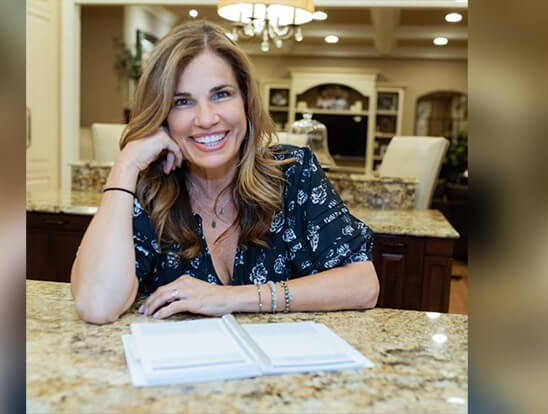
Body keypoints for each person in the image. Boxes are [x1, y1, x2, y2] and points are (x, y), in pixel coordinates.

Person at [71, 21, 378, 324]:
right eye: (182, 101)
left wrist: (232, 298)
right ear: (162, 115)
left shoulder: (294, 174)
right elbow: (97, 305)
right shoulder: (148, 189)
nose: (206, 118)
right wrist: (125, 166)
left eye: (221, 94)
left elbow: (363, 285)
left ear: (245, 100)